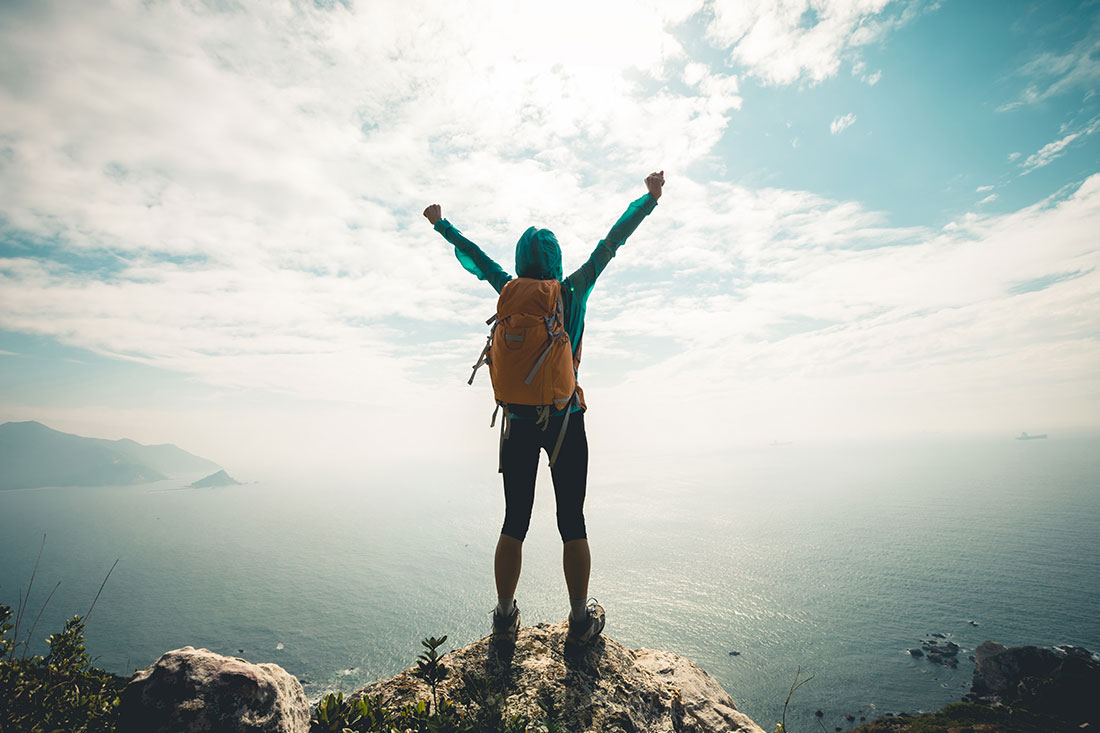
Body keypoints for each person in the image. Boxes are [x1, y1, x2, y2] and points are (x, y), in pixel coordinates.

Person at [423, 171, 664, 647]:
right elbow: (610, 243)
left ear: (521, 261)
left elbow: (478, 259)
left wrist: (441, 225)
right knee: (572, 521)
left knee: (515, 520)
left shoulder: (508, 290)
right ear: (555, 260)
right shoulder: (570, 291)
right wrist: (649, 199)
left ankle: (503, 617)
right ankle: (579, 621)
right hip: (565, 420)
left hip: (516, 421)